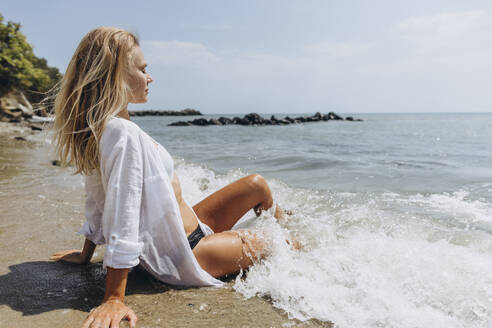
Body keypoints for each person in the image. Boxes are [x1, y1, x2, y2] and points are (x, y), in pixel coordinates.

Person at [49, 27, 288, 328]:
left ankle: (279, 223)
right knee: (285, 243)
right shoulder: (122, 134)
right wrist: (113, 298)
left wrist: (86, 254)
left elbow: (97, 196)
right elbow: (122, 208)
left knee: (257, 185)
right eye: (143, 69)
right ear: (116, 76)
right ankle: (297, 254)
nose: (150, 77)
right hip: (189, 253)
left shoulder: (108, 126)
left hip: (185, 230)